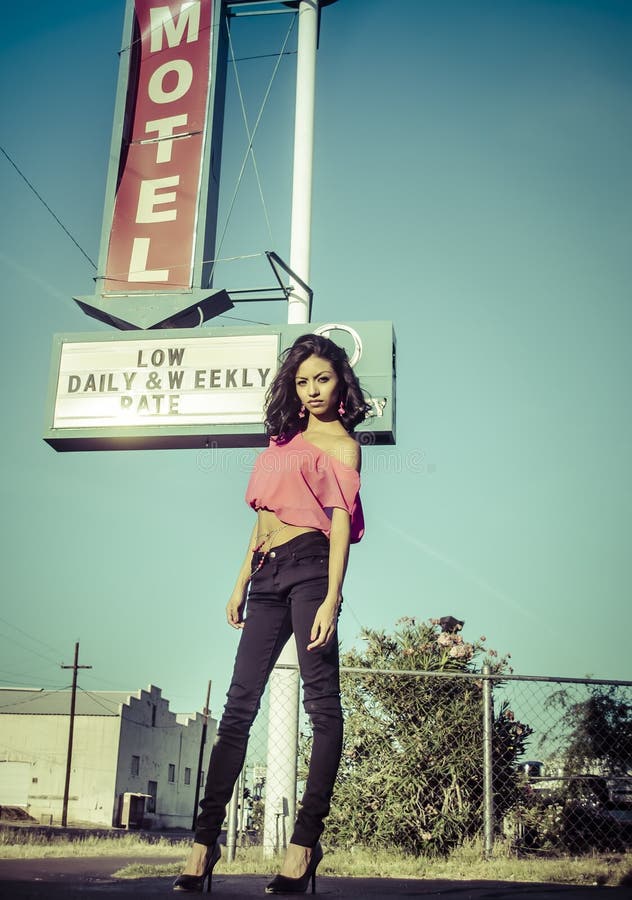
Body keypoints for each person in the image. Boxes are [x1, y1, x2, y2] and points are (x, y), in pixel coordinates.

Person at [173, 333, 370, 895]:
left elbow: (338, 524)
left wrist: (332, 597)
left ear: (340, 382)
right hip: (267, 574)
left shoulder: (343, 447)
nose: (312, 391)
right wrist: (239, 581)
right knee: (238, 708)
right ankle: (203, 844)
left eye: (323, 379)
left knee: (322, 707)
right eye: (303, 381)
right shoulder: (282, 441)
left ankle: (304, 845)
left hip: (312, 570)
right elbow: (262, 522)